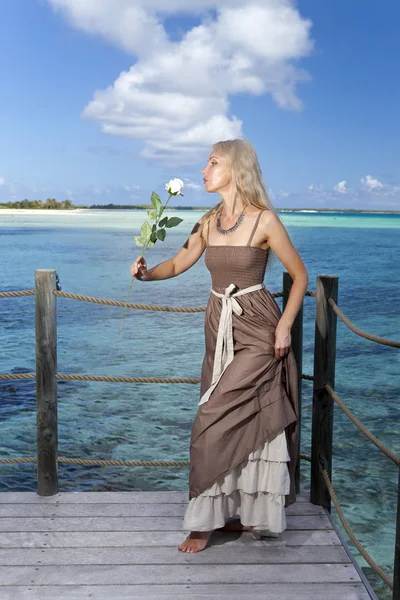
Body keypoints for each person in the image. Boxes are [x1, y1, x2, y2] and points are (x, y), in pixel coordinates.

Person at [130, 138, 308, 554]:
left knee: (212, 417)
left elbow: (299, 276)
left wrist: (284, 328)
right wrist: (145, 275)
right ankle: (236, 514)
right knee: (233, 417)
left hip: (259, 328)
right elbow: (177, 263)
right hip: (218, 329)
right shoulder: (208, 222)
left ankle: (203, 523)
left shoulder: (264, 220)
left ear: (237, 169)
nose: (204, 170)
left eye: (213, 163)